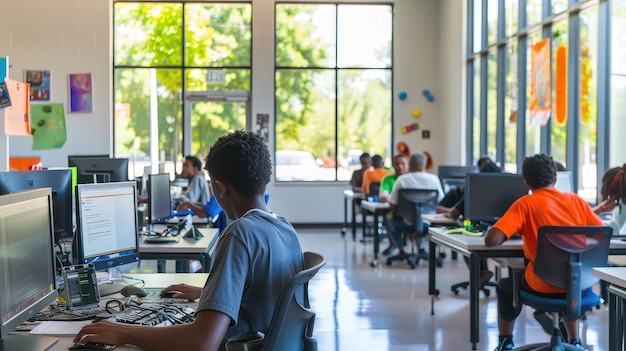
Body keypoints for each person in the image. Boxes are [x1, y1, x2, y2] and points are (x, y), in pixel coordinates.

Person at [74, 130, 304, 351]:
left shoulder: (240, 234)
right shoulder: (285, 230)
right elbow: (259, 297)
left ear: (220, 188)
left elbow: (201, 343)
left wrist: (123, 331)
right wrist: (209, 294)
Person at [485, 154, 603, 351]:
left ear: (526, 183)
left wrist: (512, 230)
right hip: (580, 285)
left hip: (542, 285)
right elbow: (601, 234)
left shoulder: (524, 205)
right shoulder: (576, 201)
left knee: (506, 286)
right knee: (568, 278)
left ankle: (505, 343)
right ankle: (575, 341)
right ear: (555, 179)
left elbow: (491, 240)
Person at [436, 158, 502, 288]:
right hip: (494, 232)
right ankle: (481, 274)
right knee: (471, 235)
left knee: (470, 237)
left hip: (482, 231)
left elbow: (454, 213)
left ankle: (480, 275)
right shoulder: (463, 190)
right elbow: (445, 210)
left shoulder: (476, 187)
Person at [385, 152, 444, 255]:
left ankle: (401, 249)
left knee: (389, 217)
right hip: (428, 223)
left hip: (406, 223)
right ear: (424, 165)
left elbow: (391, 203)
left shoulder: (402, 180)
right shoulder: (433, 179)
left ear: (410, 165)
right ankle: (421, 249)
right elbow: (442, 202)